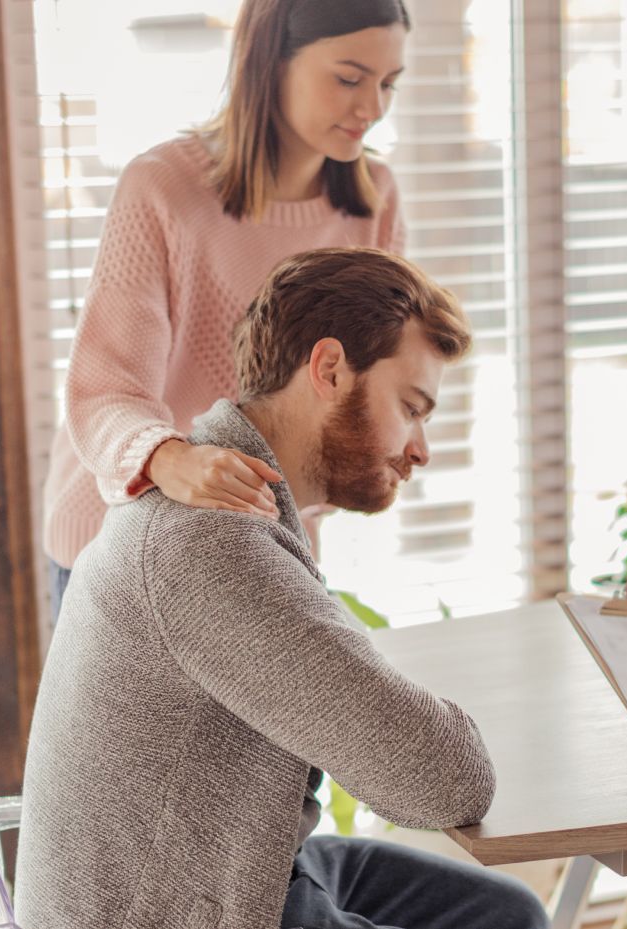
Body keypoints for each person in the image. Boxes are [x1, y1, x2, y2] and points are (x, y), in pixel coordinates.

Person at [15, 248, 549, 929]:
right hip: (164, 906)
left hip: (229, 859)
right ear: (328, 368)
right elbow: (449, 780)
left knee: (503, 910)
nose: (421, 449)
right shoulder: (211, 544)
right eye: (411, 408)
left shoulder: (228, 498)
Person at [42, 0, 412, 620]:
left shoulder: (375, 202)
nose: (371, 108)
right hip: (121, 544)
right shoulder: (164, 188)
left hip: (263, 548)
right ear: (270, 62)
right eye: (349, 78)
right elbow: (106, 389)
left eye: (388, 84)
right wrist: (171, 457)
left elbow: (368, 386)